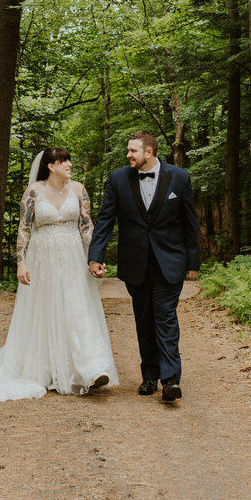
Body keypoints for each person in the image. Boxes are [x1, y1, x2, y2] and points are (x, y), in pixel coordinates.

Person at [0, 146, 118, 401]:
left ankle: (91, 368)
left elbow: (86, 226)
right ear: (51, 166)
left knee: (78, 308)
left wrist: (95, 259)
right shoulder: (33, 192)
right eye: (65, 161)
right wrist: (21, 263)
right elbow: (24, 229)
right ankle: (47, 367)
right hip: (43, 259)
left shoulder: (79, 190)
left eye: (70, 160)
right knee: (47, 309)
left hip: (73, 256)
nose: (70, 164)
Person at [87, 130, 199, 403]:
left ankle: (170, 379)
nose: (128, 155)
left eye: (132, 151)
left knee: (165, 317)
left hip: (170, 261)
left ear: (149, 152)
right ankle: (149, 375)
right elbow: (105, 220)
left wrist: (193, 262)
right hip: (136, 263)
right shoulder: (118, 179)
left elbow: (189, 222)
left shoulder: (180, 177)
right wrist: (95, 256)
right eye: (128, 150)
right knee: (144, 319)